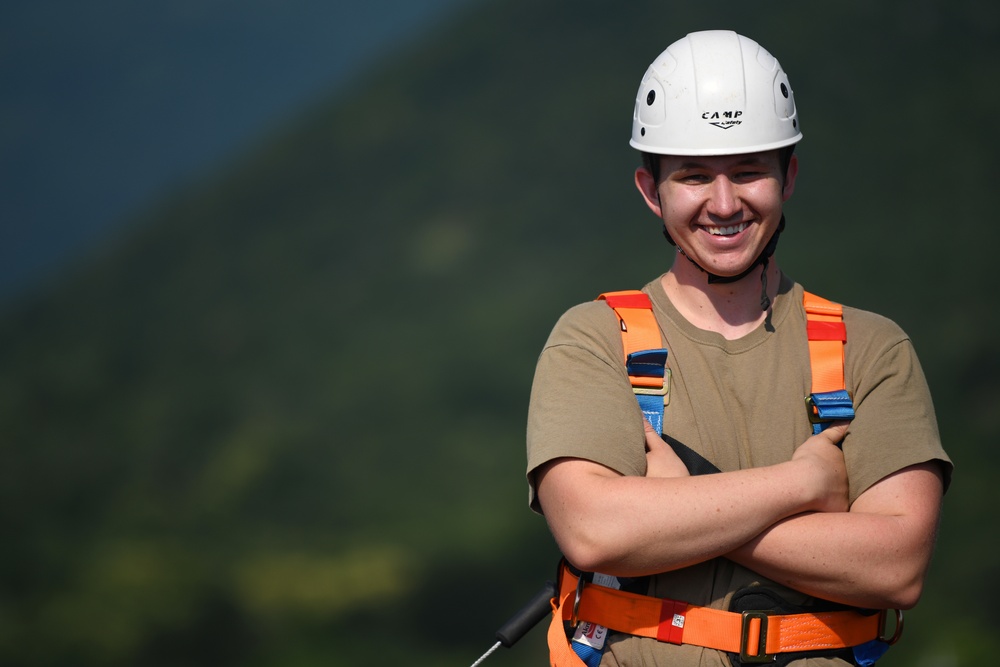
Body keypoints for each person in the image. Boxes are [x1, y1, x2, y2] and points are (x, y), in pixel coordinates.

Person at [525, 30, 952, 667]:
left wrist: (678, 502)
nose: (724, 205)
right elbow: (594, 532)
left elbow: (896, 568)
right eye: (695, 177)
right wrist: (800, 483)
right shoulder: (595, 338)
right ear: (652, 190)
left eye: (748, 172)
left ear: (789, 176)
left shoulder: (871, 348)